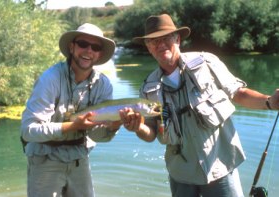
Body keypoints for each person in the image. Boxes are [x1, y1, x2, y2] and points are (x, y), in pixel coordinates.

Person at [119, 14, 279, 197]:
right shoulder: (147, 89)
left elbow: (239, 93)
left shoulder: (207, 63)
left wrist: (269, 102)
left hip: (221, 170)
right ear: (148, 47)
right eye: (153, 41)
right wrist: (138, 127)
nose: (160, 44)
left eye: (165, 38)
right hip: (181, 177)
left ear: (177, 39)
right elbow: (151, 134)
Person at [21, 23, 122, 197]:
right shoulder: (50, 79)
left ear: (99, 54)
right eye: (83, 44)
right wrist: (72, 126)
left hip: (79, 157)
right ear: (72, 46)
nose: (88, 51)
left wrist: (115, 124)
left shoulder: (103, 85)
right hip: (44, 157)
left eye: (95, 47)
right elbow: (28, 131)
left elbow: (97, 136)